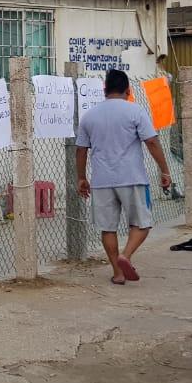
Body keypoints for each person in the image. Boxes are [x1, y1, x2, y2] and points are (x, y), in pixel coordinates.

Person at [75, 69, 172, 285]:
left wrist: (81, 178)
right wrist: (164, 170)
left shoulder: (89, 116)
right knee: (142, 224)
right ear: (128, 90)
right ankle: (126, 256)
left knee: (107, 228)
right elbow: (152, 142)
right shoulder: (135, 111)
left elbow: (81, 150)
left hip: (101, 181)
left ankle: (118, 273)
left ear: (104, 90)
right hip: (132, 178)